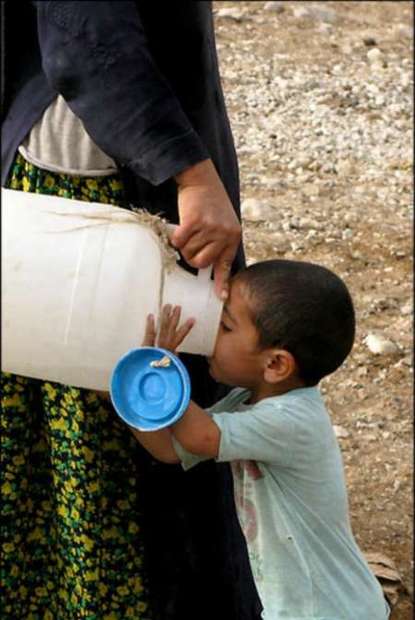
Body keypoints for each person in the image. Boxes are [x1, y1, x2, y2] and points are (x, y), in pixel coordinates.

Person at [1, 2, 262, 619]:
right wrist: (190, 172)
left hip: (104, 159)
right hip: (102, 183)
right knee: (98, 455)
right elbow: (85, 36)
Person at [129, 259, 391, 620]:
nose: (209, 332)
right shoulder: (248, 400)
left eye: (224, 325)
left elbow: (200, 437)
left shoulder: (289, 421)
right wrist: (129, 394)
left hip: (327, 609)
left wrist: (161, 367)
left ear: (276, 365)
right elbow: (170, 449)